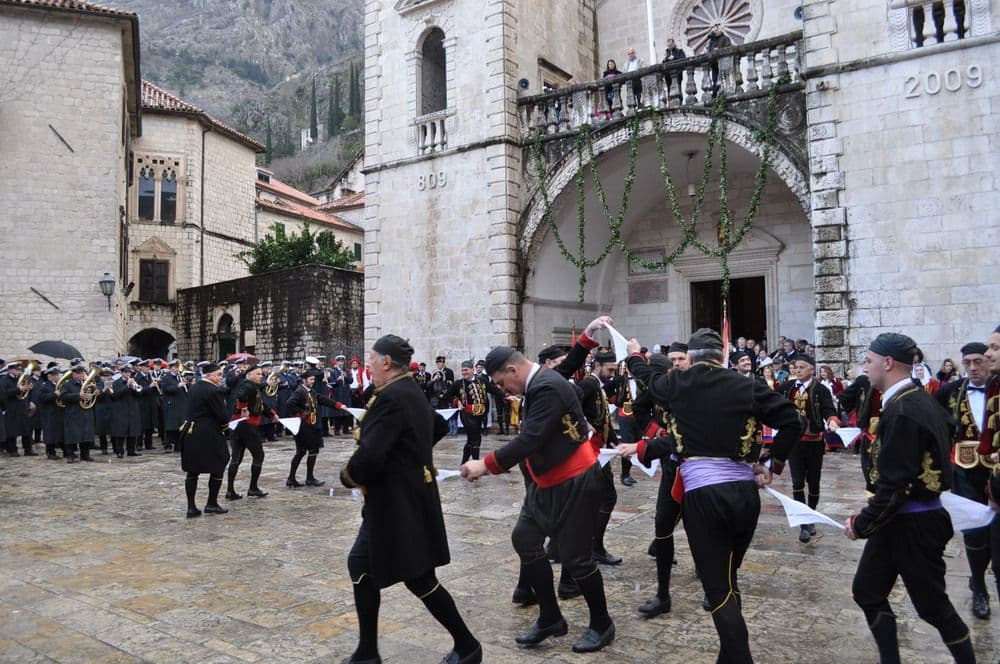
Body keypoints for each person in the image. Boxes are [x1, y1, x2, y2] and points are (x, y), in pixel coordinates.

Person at [625, 328, 803, 663]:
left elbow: (647, 376)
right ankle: (729, 655)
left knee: (717, 589)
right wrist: (772, 463)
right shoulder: (747, 385)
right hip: (745, 494)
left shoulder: (679, 384)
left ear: (690, 359)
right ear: (723, 357)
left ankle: (740, 657)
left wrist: (635, 353)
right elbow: (794, 419)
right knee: (729, 576)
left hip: (705, 495)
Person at [462, 345, 615, 654]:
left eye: (503, 383)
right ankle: (550, 618)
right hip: (546, 483)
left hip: (574, 481)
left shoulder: (546, 387)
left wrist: (486, 464)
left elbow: (530, 438)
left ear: (512, 371)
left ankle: (602, 623)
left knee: (577, 558)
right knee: (525, 539)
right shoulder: (540, 382)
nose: (505, 390)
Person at [340, 335, 481, 664]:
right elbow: (437, 426)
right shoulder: (409, 389)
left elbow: (370, 456)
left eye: (372, 359)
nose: (369, 365)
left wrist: (348, 476)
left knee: (419, 577)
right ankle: (367, 651)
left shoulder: (392, 397)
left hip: (396, 503)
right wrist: (410, 458)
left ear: (387, 362)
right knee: (361, 565)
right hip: (400, 498)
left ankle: (467, 644)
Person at [845, 333, 975, 664]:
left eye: (869, 361)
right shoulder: (916, 399)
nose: (866, 368)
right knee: (868, 591)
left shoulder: (904, 410)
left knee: (933, 606)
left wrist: (861, 524)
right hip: (897, 520)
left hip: (913, 523)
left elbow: (895, 484)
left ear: (887, 363)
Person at [617, 344, 689, 618]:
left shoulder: (694, 389)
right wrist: (654, 430)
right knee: (662, 524)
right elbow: (639, 408)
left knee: (701, 530)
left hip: (698, 471)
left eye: (681, 359)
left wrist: (645, 447)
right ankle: (662, 594)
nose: (677, 364)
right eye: (673, 360)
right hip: (672, 468)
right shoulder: (658, 389)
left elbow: (686, 437)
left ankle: (714, 586)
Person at [935, 341, 997, 619]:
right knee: (974, 529)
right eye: (967, 362)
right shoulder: (951, 391)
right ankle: (979, 587)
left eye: (978, 361)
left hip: (996, 470)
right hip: (963, 467)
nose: (972, 368)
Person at [779, 356, 840, 542]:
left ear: (812, 369)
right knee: (797, 482)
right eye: (795, 367)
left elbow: (830, 410)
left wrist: (832, 421)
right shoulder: (788, 387)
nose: (797, 370)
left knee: (813, 482)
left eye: (802, 367)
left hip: (814, 441)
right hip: (795, 443)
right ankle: (804, 524)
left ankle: (811, 515)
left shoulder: (820, 389)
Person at [181, 362, 231, 518]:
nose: (220, 378)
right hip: (208, 434)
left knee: (192, 470)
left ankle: (191, 507)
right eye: (218, 375)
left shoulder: (194, 387)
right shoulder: (213, 391)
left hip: (190, 432)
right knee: (219, 463)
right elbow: (222, 416)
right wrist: (226, 427)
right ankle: (212, 503)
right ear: (209, 375)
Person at [226, 364, 276, 500]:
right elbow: (241, 396)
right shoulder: (248, 385)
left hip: (239, 425)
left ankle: (230, 490)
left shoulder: (252, 386)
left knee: (236, 457)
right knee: (259, 455)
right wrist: (243, 408)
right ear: (250, 375)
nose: (261, 376)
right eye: (258, 374)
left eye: (261, 374)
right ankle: (253, 488)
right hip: (247, 425)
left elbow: (260, 404)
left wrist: (271, 414)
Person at [286, 368, 343, 488]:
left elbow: (322, 399)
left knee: (302, 452)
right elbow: (290, 403)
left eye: (313, 379)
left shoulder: (311, 391)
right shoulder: (300, 391)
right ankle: (308, 478)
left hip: (312, 425)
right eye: (311, 379)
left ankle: (292, 478)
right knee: (309, 450)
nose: (313, 381)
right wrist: (301, 413)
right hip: (305, 427)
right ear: (304, 380)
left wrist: (338, 405)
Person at [442, 360, 501, 464]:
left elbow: (494, 390)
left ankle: (464, 463)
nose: (464, 372)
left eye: (466, 370)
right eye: (462, 370)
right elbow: (447, 396)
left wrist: (507, 396)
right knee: (476, 439)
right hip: (467, 415)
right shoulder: (459, 383)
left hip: (480, 414)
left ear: (472, 370)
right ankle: (475, 463)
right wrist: (457, 401)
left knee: (471, 440)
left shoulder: (482, 380)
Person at [110, 365, 145, 458]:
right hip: (121, 410)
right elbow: (116, 395)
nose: (127, 374)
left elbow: (140, 393)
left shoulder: (134, 382)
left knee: (132, 431)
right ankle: (120, 451)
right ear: (122, 373)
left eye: (129, 372)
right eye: (125, 372)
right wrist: (127, 386)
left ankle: (131, 450)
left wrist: (134, 388)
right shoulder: (116, 383)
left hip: (132, 409)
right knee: (121, 432)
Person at [330, 355, 355, 435]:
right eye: (339, 361)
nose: (341, 363)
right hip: (337, 393)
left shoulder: (347, 371)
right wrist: (337, 380)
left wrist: (346, 377)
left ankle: (345, 428)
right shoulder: (333, 371)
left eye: (342, 361)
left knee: (346, 411)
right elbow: (331, 383)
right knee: (338, 412)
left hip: (346, 393)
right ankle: (337, 429)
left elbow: (351, 380)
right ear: (336, 362)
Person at [706, 24, 732, 95]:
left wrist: (719, 50)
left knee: (723, 79)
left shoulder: (725, 38)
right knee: (714, 81)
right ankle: (715, 95)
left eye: (716, 30)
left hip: (723, 63)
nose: (715, 32)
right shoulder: (711, 41)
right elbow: (709, 51)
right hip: (714, 63)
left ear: (720, 30)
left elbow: (729, 48)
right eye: (713, 31)